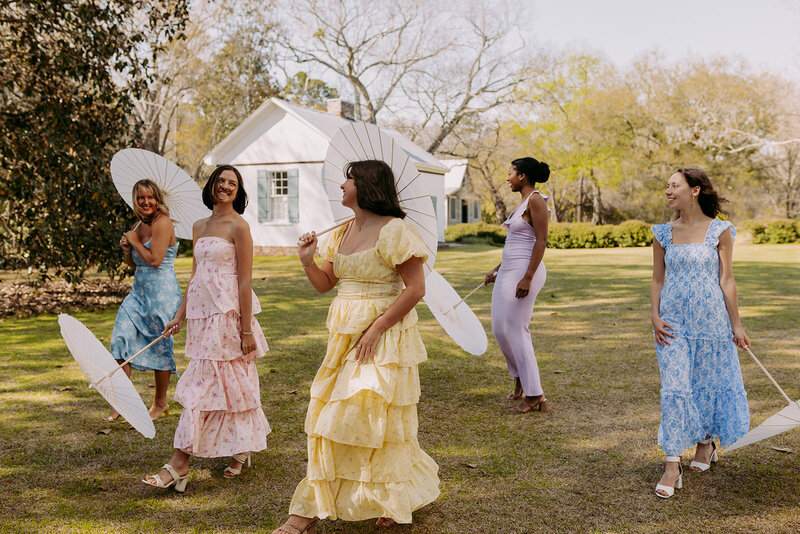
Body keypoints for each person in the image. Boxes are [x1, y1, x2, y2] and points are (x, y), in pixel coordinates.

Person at [273, 160, 439, 533]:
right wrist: (306, 260)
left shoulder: (396, 231)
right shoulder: (342, 231)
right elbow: (324, 283)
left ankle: (306, 516)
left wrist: (377, 328)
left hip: (383, 336)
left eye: (349, 178)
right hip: (344, 337)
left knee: (371, 419)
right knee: (336, 420)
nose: (342, 184)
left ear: (367, 186)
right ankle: (389, 497)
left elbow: (416, 289)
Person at [143, 165, 270, 492]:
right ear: (212, 186)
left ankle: (179, 464)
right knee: (227, 385)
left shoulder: (239, 227)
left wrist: (245, 330)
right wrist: (180, 315)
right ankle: (241, 448)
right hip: (202, 315)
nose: (225, 186)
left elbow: (244, 280)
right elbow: (195, 276)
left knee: (209, 384)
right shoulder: (199, 226)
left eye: (232, 183)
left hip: (228, 316)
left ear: (238, 191)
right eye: (220, 181)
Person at [651, 168, 750, 499]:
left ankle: (705, 444)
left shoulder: (720, 231)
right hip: (672, 322)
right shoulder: (664, 233)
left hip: (711, 323)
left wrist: (736, 326)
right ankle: (671, 464)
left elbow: (727, 280)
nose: (668, 191)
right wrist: (654, 315)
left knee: (707, 385)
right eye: (667, 186)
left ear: (694, 190)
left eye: (674, 185)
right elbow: (657, 280)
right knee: (675, 387)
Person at [105, 179, 182, 422]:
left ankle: (160, 403)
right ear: (135, 200)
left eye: (150, 197)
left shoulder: (163, 223)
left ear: (158, 199)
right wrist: (128, 250)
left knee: (159, 346)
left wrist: (136, 242)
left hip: (163, 295)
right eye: (141, 198)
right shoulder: (138, 225)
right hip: (138, 294)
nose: (146, 202)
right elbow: (136, 262)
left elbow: (155, 259)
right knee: (120, 339)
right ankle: (121, 403)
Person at [484, 157, 551, 414]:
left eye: (510, 172)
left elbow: (540, 241)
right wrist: (496, 270)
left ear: (522, 176)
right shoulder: (520, 203)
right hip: (508, 271)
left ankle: (535, 395)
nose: (507, 177)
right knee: (500, 329)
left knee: (516, 330)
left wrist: (528, 276)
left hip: (526, 272)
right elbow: (514, 246)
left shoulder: (535, 200)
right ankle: (521, 377)